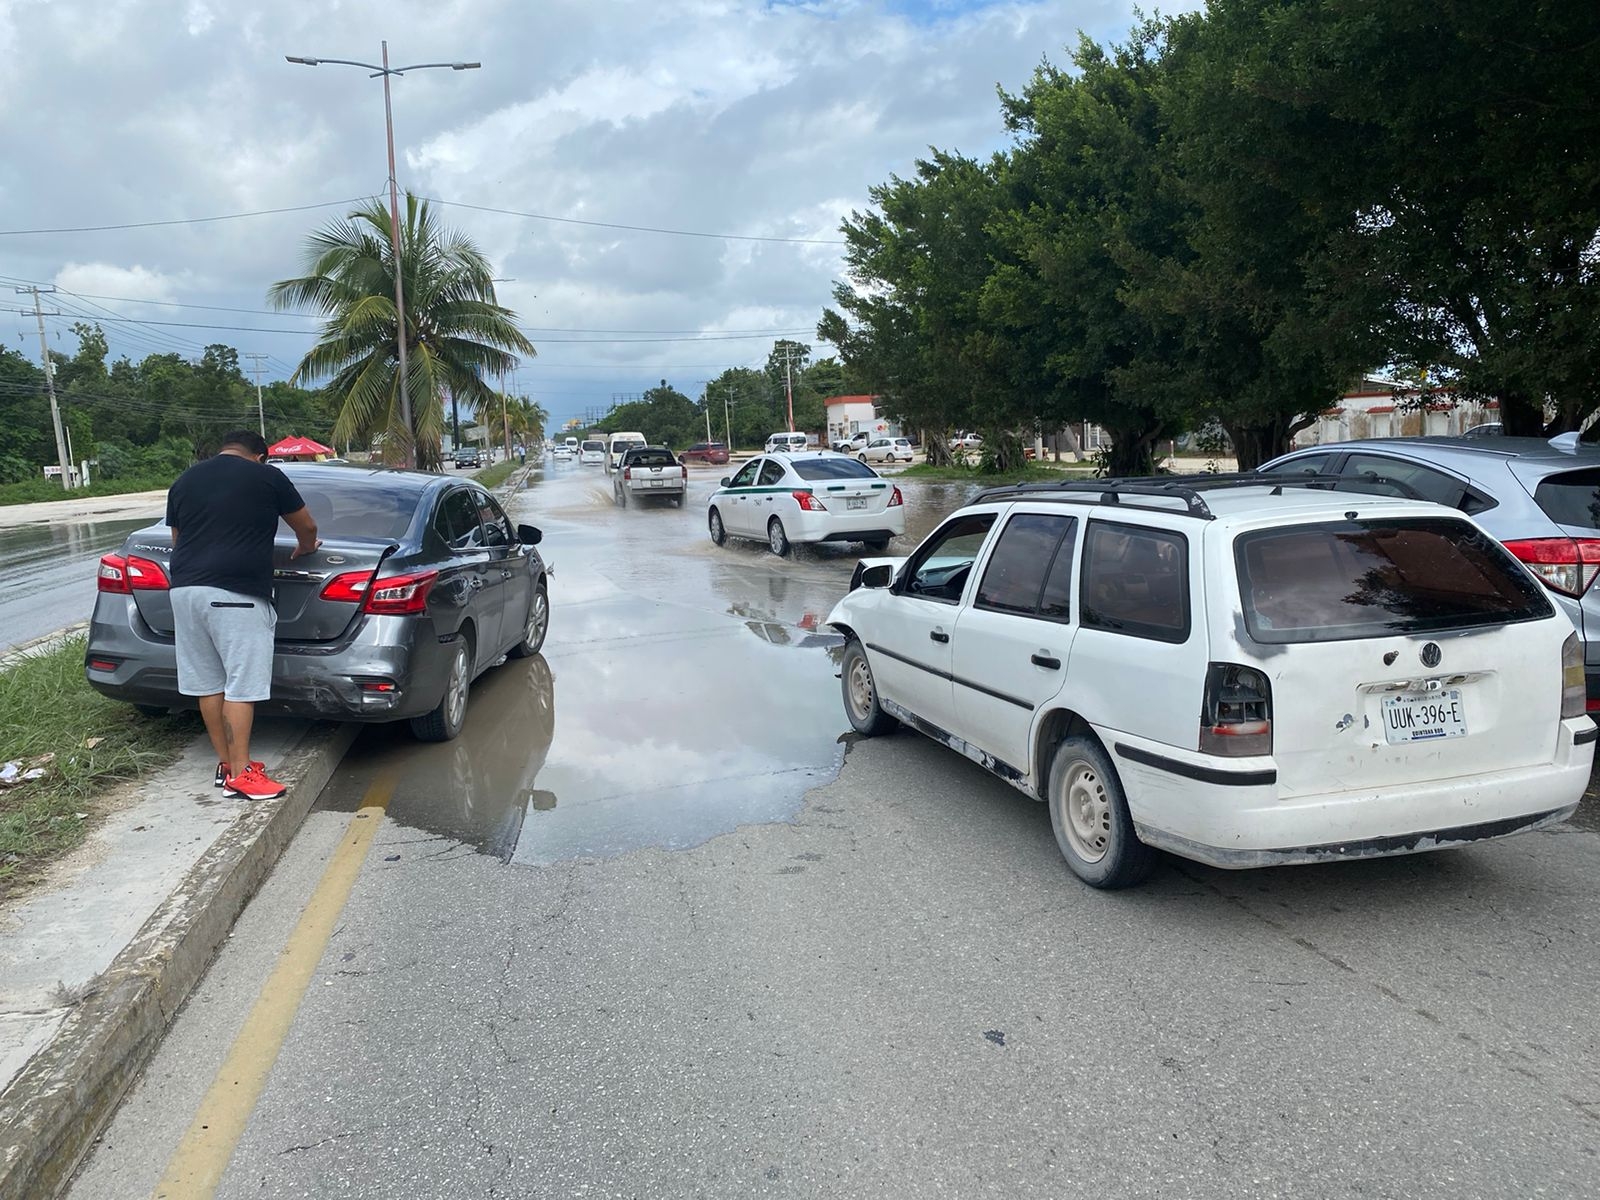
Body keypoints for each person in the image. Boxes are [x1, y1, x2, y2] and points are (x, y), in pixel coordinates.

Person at [166, 431, 320, 800]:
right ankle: (242, 774)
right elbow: (307, 527)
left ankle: (228, 765)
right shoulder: (267, 476)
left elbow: (177, 539)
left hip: (185, 591)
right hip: (235, 594)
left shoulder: (185, 480)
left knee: (208, 682)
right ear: (261, 456)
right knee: (241, 685)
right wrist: (305, 547)